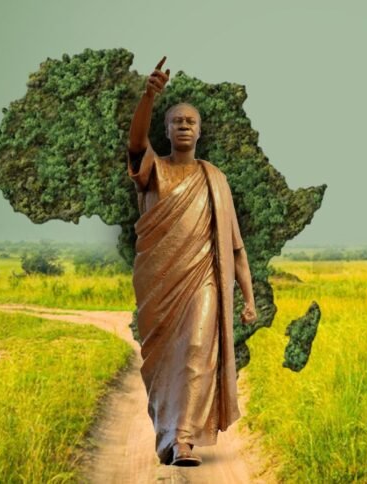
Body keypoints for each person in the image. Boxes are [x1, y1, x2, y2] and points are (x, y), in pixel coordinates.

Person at [126, 55, 258, 467]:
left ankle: (183, 438)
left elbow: (235, 247)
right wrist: (148, 97)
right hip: (160, 289)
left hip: (204, 281)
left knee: (199, 347)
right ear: (165, 130)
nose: (183, 125)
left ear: (199, 131)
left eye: (190, 121)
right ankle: (167, 430)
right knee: (167, 361)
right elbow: (134, 144)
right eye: (176, 121)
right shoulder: (155, 172)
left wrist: (248, 299)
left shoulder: (215, 179)